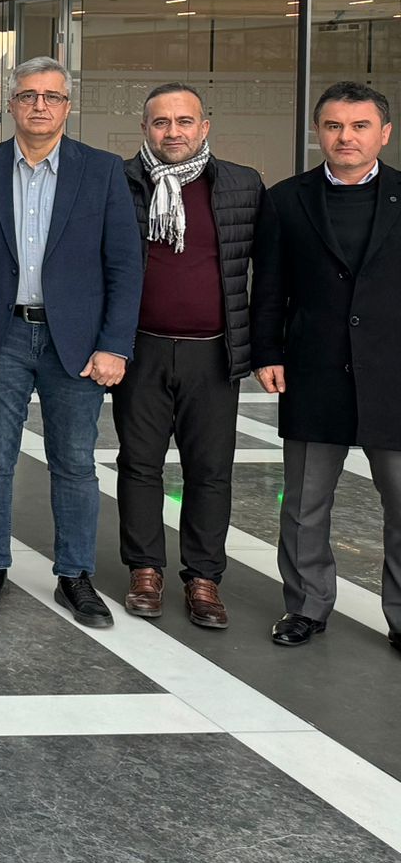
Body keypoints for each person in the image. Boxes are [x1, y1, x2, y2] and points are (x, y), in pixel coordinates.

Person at [0, 56, 143, 628]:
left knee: (74, 462)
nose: (40, 106)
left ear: (67, 107)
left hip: (74, 341)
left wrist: (115, 345)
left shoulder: (101, 170)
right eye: (29, 95)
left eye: (51, 96)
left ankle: (74, 575)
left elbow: (125, 266)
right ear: (12, 104)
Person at [252, 81, 401, 653]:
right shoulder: (286, 200)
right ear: (318, 132)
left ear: (384, 134)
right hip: (313, 371)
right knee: (304, 506)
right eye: (334, 126)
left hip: (393, 377)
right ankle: (306, 606)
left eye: (360, 126)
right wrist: (267, 351)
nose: (346, 137)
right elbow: (269, 287)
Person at [116, 83, 261, 629]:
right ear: (144, 129)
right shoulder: (120, 182)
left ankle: (203, 578)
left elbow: (267, 270)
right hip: (141, 350)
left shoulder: (242, 185)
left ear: (204, 127)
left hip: (213, 355)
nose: (172, 132)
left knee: (210, 472)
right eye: (161, 122)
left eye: (183, 121)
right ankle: (144, 570)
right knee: (139, 465)